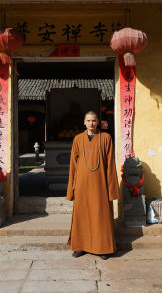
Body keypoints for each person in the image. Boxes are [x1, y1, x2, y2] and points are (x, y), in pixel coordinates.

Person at [66, 111, 119, 260]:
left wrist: (111, 189)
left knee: (100, 216)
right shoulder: (78, 139)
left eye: (94, 121)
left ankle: (103, 248)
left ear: (98, 122)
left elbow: (110, 165)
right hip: (82, 185)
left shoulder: (106, 138)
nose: (91, 123)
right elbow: (73, 166)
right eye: (88, 121)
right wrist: (72, 188)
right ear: (84, 122)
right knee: (81, 215)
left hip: (100, 185)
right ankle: (80, 246)